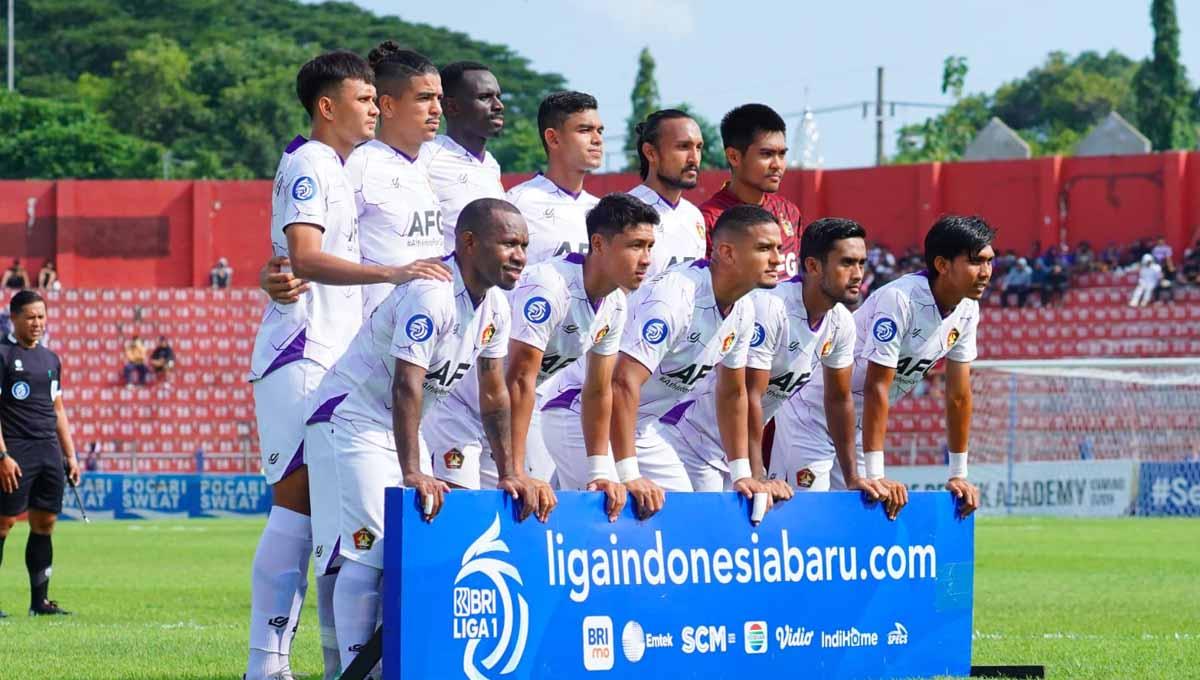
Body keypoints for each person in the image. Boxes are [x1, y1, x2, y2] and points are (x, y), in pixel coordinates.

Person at [243, 50, 444, 680]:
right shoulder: (310, 161)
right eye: (363, 100)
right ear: (328, 107)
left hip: (334, 355)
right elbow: (302, 256)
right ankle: (265, 665)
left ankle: (334, 665)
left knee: (331, 525)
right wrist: (393, 272)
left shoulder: (337, 165)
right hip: (303, 349)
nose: (373, 110)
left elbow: (286, 261)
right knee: (297, 510)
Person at [303, 198, 549, 672]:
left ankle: (353, 669)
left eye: (524, 245)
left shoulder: (496, 305)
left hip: (388, 425)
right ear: (469, 243)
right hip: (349, 417)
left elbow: (494, 393)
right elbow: (406, 384)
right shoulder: (431, 294)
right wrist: (414, 470)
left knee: (385, 548)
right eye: (508, 244)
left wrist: (510, 472)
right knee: (369, 548)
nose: (520, 255)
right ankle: (357, 672)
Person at [542, 205, 786, 519]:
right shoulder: (677, 296)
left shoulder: (744, 310)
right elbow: (622, 382)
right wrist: (629, 474)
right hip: (580, 415)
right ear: (727, 252)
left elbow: (732, 393)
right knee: (608, 517)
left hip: (640, 427)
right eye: (764, 249)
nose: (777, 259)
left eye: (778, 248)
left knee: (680, 515)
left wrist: (742, 474)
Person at [426, 194, 654, 498]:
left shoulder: (615, 305)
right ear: (598, 244)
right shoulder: (550, 286)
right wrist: (515, 470)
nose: (646, 259)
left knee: (519, 509)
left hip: (503, 417)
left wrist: (599, 472)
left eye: (650, 247)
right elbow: (519, 378)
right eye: (635, 246)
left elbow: (598, 390)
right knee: (461, 510)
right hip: (458, 407)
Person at [663, 218, 896, 509]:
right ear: (813, 266)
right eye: (847, 263)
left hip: (733, 456)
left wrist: (852, 478)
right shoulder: (770, 307)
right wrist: (757, 475)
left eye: (861, 263)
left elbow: (838, 401)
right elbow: (749, 394)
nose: (858, 274)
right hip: (692, 440)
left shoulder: (841, 323)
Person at [772, 215, 993, 519]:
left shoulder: (968, 310)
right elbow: (877, 386)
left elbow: (958, 395)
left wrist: (958, 474)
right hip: (811, 415)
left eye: (989, 261)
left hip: (858, 430)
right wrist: (876, 473)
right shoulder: (900, 299)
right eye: (976, 262)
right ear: (942, 265)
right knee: (807, 517)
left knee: (862, 516)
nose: (986, 272)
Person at [346, 43, 449, 319]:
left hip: (428, 328)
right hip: (371, 332)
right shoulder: (356, 167)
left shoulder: (435, 165)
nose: (437, 109)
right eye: (424, 98)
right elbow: (318, 253)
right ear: (388, 105)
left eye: (439, 98)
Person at [0, 290, 80, 617]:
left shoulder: (50, 359)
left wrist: (70, 455)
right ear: (14, 317)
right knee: (3, 523)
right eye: (30, 317)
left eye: (41, 317)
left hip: (48, 450)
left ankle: (40, 602)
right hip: (14, 450)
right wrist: (2, 456)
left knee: (45, 522)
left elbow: (58, 409)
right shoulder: (3, 354)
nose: (37, 323)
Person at [698, 104, 802, 278]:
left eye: (782, 154)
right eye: (766, 154)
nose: (777, 164)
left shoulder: (789, 212)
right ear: (734, 157)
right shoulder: (707, 220)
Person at [506, 91, 603, 264]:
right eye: (585, 130)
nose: (597, 139)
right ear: (553, 138)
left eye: (599, 131)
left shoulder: (602, 210)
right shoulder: (517, 204)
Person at [421, 60, 506, 243]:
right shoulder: (425, 155)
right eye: (485, 97)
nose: (498, 105)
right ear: (451, 107)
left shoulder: (491, 164)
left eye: (498, 96)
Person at [627, 109, 707, 276]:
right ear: (650, 152)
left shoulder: (694, 215)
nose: (694, 158)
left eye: (698, 147)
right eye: (683, 147)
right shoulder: (625, 212)